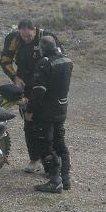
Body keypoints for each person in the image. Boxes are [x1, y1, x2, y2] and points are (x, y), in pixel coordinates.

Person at [0, 19, 63, 173]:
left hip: (46, 86)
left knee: (48, 125)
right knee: (29, 123)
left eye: (29, 36)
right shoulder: (13, 39)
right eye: (23, 37)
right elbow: (5, 60)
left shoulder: (47, 38)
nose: (26, 39)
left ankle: (53, 163)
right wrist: (15, 78)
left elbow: (61, 60)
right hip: (25, 85)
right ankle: (34, 159)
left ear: (35, 30)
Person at [24, 35, 73, 193]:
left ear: (41, 48)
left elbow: (38, 92)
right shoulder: (67, 61)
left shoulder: (45, 63)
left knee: (45, 145)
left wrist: (29, 111)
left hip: (46, 111)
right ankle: (65, 179)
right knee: (60, 143)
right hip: (61, 107)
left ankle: (55, 180)